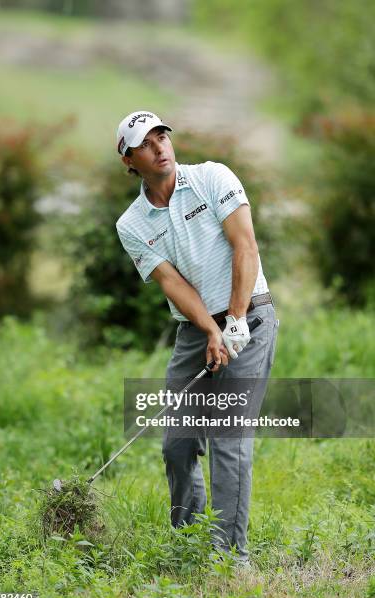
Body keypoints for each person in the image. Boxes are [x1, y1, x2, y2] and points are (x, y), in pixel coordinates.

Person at [115, 110, 278, 566]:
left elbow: (245, 245)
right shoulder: (132, 224)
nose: (159, 147)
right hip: (196, 331)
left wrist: (237, 320)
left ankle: (230, 558)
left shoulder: (212, 177)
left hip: (251, 318)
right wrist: (210, 329)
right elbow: (172, 283)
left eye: (162, 136)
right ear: (129, 160)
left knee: (228, 438)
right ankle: (190, 545)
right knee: (178, 443)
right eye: (146, 144)